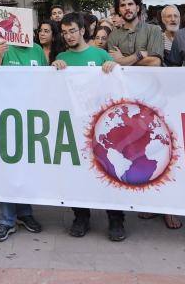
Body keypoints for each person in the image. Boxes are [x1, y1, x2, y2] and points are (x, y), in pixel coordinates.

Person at [52, 13, 126, 240]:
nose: (68, 36)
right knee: (77, 172)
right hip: (74, 123)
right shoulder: (62, 56)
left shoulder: (99, 54)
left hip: (101, 125)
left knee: (107, 170)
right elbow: (52, 87)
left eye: (72, 31)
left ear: (83, 30)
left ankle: (115, 219)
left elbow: (115, 82)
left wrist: (113, 66)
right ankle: (81, 216)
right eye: (64, 33)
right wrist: (54, 67)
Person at [0, 35, 47, 242]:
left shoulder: (37, 50)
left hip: (30, 118)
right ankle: (6, 220)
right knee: (6, 167)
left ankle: (25, 213)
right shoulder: (1, 48)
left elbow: (48, 81)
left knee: (26, 168)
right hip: (6, 117)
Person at [106, 0, 163, 68]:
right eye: (122, 5)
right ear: (119, 11)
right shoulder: (113, 35)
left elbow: (155, 62)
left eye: (130, 4)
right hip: (123, 80)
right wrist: (138, 55)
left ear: (137, 8)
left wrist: (123, 60)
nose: (127, 8)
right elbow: (114, 61)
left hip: (148, 79)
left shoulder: (153, 30)